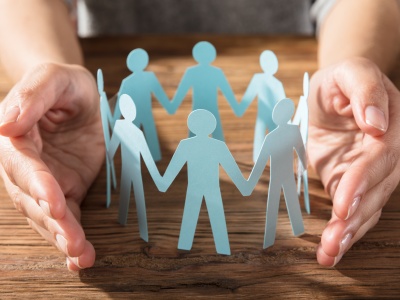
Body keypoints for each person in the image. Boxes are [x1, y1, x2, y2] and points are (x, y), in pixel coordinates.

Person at [0, 0, 399, 272]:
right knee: (151, 202)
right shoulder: (187, 126)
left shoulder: (200, 131)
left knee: (173, 208)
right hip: (134, 153)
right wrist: (45, 75)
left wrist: (354, 67)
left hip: (185, 165)